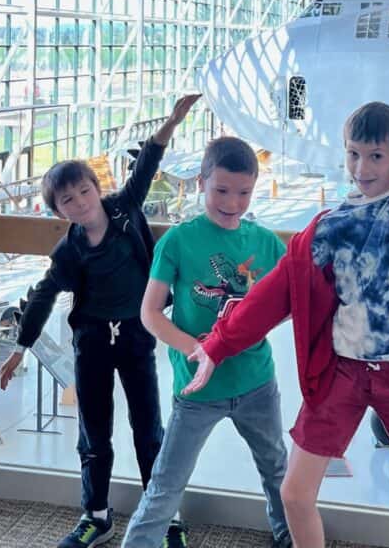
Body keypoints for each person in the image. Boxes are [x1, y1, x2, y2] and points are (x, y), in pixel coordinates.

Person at [183, 2, 389, 548]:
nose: (363, 168)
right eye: (354, 155)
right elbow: (273, 294)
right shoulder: (328, 227)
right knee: (295, 493)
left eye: (376, 156)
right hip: (342, 373)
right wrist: (217, 345)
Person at [0, 94, 200, 548]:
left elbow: (147, 163)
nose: (80, 202)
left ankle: (164, 514)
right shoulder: (69, 250)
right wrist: (19, 348)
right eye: (67, 200)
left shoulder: (125, 209)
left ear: (97, 188)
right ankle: (97, 515)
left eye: (85, 191)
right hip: (91, 340)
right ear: (58, 211)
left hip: (135, 336)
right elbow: (45, 295)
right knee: (94, 433)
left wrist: (171, 121)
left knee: (149, 428)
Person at [122, 135, 291, 548]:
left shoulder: (267, 243)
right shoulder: (178, 242)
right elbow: (150, 313)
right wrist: (195, 350)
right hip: (197, 388)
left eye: (244, 192)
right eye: (221, 190)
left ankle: (289, 534)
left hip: (255, 382)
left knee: (277, 469)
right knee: (167, 482)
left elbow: (285, 304)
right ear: (201, 182)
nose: (233, 202)